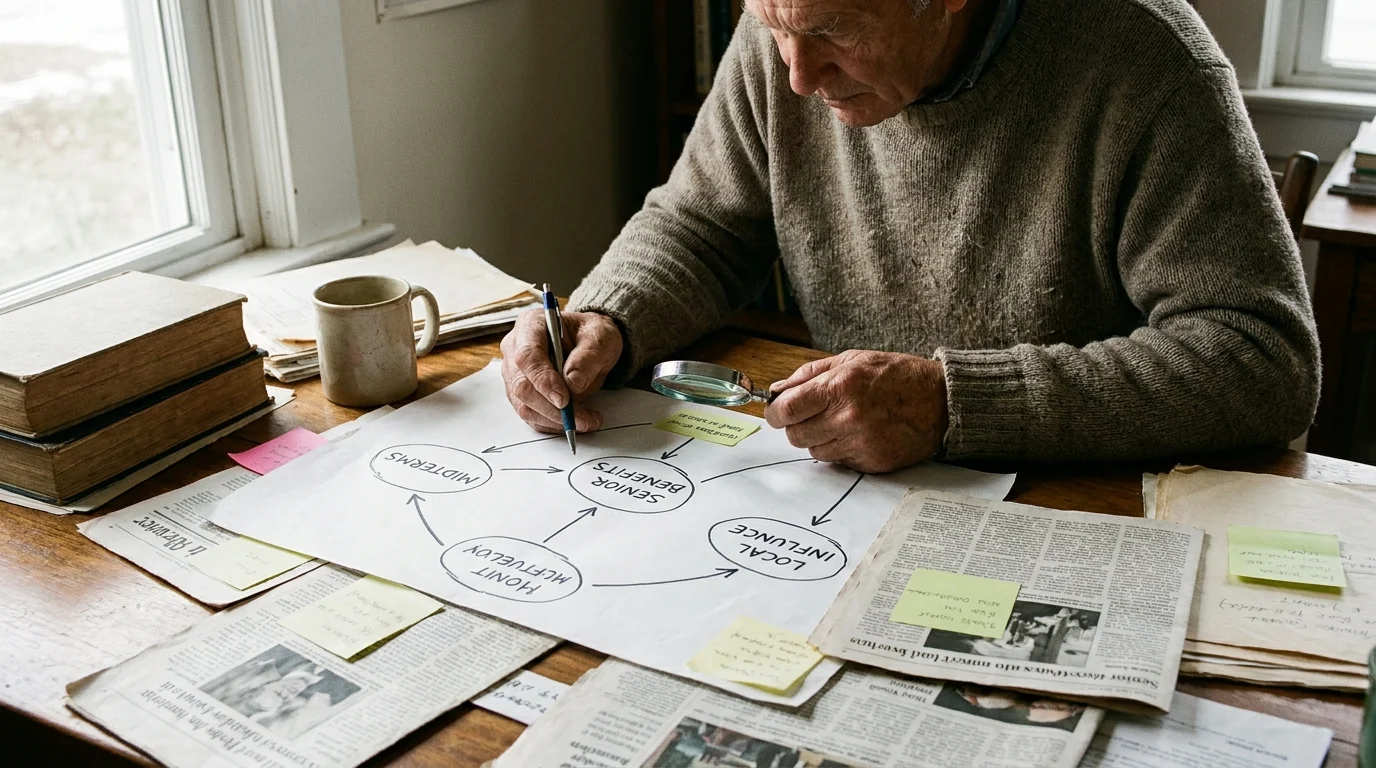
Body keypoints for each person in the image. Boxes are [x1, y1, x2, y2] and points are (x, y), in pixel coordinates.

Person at [500, 0, 1319, 473]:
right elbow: (703, 222)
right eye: (768, 23)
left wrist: (953, 404)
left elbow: (1260, 357)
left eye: (833, 30)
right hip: (847, 490)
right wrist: (608, 319)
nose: (795, 75)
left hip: (1072, 498)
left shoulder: (1147, 59)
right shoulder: (787, 29)